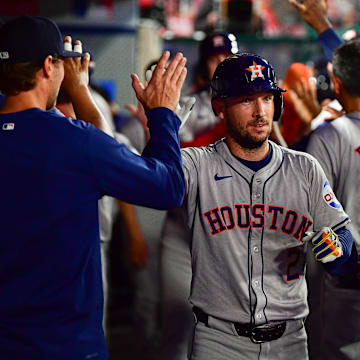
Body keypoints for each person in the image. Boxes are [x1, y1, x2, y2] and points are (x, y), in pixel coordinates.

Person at [0, 14, 187, 360]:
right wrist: (163, 114)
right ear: (47, 66)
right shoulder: (75, 143)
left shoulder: (74, 142)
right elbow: (168, 186)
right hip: (65, 345)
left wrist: (77, 90)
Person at [180, 53, 356, 360]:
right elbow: (151, 185)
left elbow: (344, 240)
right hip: (218, 340)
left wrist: (336, 249)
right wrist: (161, 122)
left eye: (267, 98)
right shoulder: (197, 164)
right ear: (219, 106)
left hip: (289, 339)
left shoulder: (305, 168)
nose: (261, 111)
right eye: (247, 100)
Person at [159, 32, 238, 360]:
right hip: (185, 226)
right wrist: (221, 132)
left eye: (227, 57)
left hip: (230, 225)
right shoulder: (188, 103)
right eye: (214, 57)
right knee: (177, 322)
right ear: (204, 64)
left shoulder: (251, 105)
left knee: (226, 327)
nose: (221, 63)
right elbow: (172, 160)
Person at [289, 1, 360, 359]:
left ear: (334, 82)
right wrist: (322, 27)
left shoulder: (331, 135)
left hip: (344, 280)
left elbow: (309, 211)